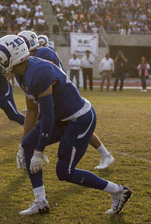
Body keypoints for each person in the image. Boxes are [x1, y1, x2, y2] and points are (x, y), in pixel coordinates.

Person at [0, 35, 132, 216]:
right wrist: (24, 145)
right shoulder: (23, 72)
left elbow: (48, 116)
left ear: (12, 56)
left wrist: (39, 151)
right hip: (62, 118)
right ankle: (40, 202)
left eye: (0, 59)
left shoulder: (38, 72)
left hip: (79, 119)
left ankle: (118, 190)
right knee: (28, 144)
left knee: (64, 172)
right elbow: (33, 112)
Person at [18, 30, 114, 170]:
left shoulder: (43, 54)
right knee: (74, 127)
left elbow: (46, 79)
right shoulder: (29, 64)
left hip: (62, 98)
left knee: (70, 126)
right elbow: (32, 110)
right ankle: (106, 154)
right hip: (55, 100)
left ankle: (38, 151)